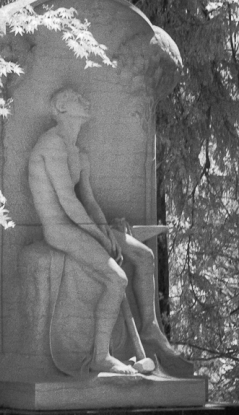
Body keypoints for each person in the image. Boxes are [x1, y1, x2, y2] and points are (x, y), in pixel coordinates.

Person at [28, 87, 193, 377]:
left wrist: (104, 229)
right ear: (62, 108)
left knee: (143, 256)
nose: (86, 99)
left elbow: (88, 201)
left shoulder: (79, 153)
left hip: (83, 225)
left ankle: (150, 328)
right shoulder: (51, 145)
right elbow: (66, 202)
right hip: (60, 229)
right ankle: (100, 356)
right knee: (116, 279)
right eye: (79, 98)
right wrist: (102, 239)